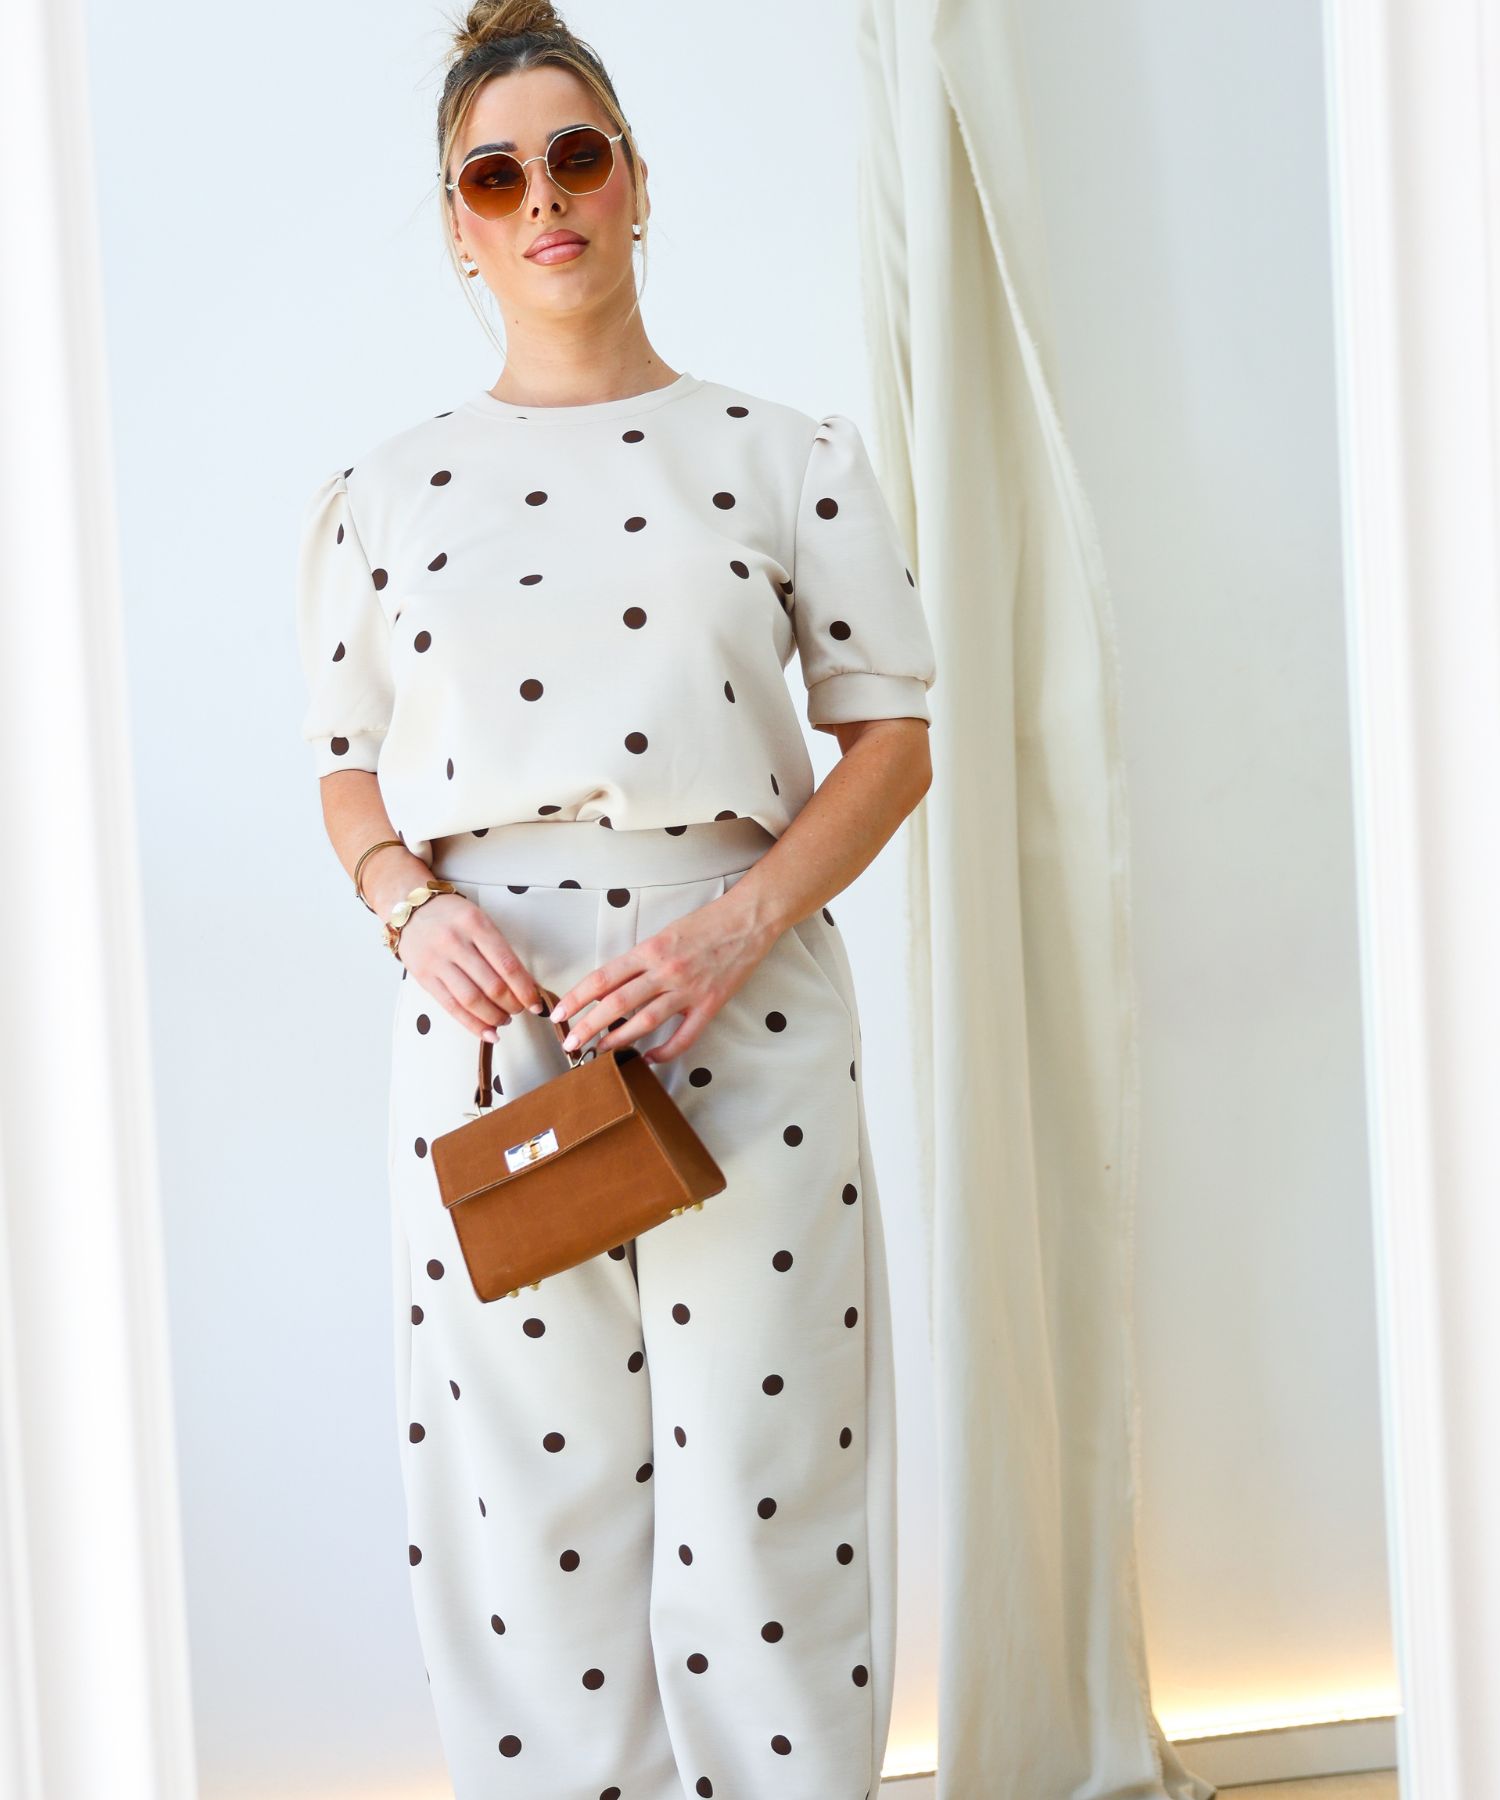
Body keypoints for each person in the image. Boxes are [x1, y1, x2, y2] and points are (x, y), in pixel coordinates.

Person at [294, 3, 937, 1795]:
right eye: (494, 175)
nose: (543, 199)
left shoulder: (784, 452)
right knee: (525, 1505)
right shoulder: (382, 495)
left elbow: (892, 738)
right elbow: (344, 764)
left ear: (637, 181)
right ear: (457, 221)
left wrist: (734, 926)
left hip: (746, 1000)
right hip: (488, 1036)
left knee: (769, 1482)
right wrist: (408, 906)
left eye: (576, 156)